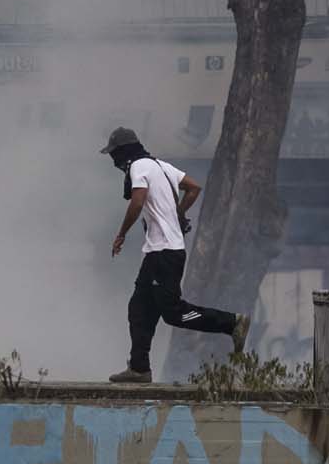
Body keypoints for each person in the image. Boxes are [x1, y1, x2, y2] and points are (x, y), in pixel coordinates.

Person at [100, 126, 250, 383]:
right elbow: (193, 188)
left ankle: (231, 323)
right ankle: (139, 368)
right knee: (139, 308)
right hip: (158, 252)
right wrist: (177, 213)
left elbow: (137, 201)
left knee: (173, 313)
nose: (114, 162)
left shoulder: (138, 166)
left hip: (164, 254)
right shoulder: (161, 166)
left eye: (114, 154)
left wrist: (122, 233)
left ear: (122, 153)